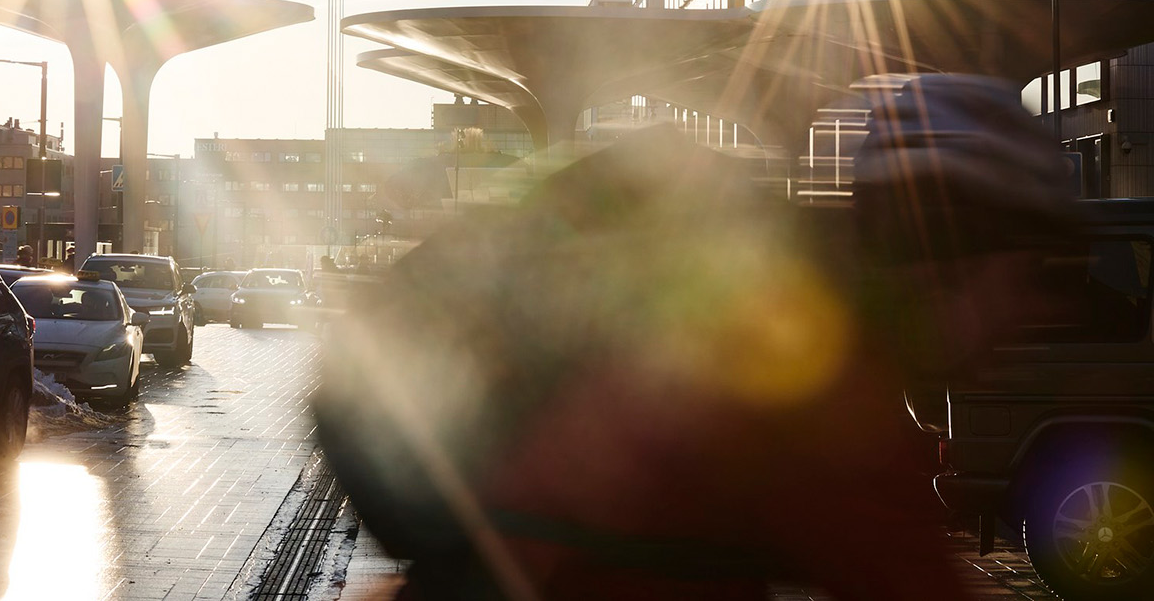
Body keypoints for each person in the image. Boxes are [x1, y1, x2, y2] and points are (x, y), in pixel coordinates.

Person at [316, 74, 1074, 600]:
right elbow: (906, 578)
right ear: (957, 256)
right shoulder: (824, 375)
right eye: (1028, 271)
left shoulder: (807, 313)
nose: (1032, 310)